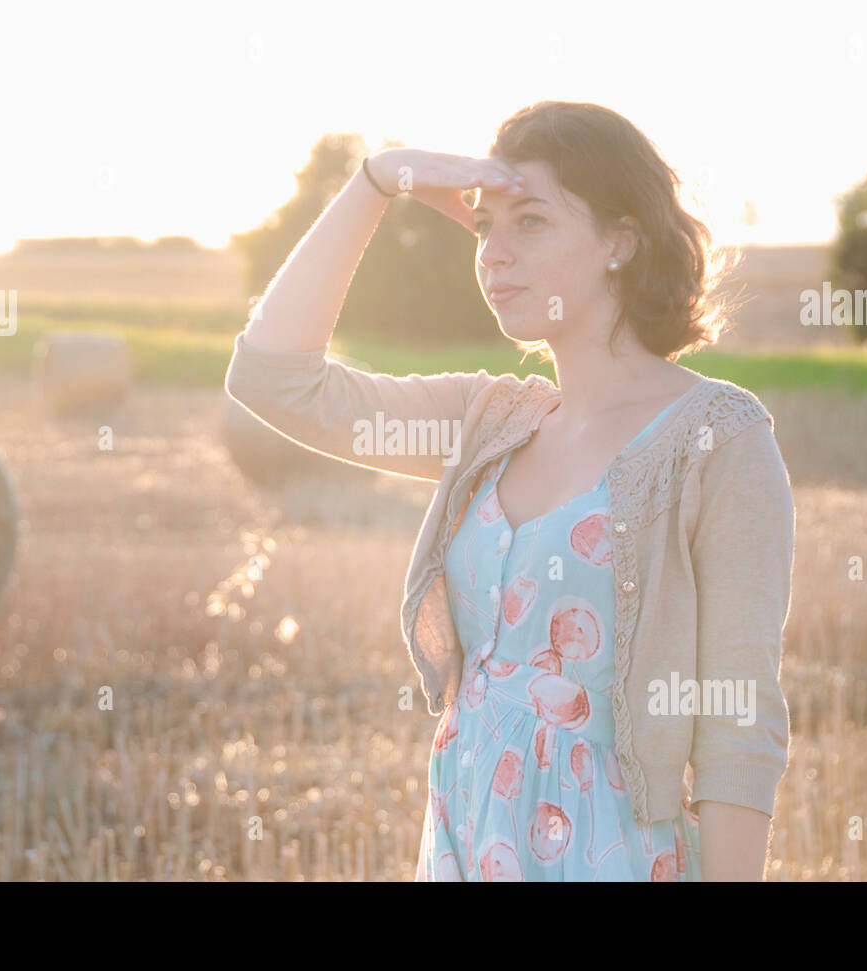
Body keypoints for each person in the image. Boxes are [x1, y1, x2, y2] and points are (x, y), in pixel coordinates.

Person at [225, 100, 795, 881]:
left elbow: (737, 721)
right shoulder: (487, 422)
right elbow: (272, 379)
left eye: (529, 222)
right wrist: (377, 180)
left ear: (620, 242)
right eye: (484, 226)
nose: (493, 251)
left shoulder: (717, 439)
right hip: (466, 848)